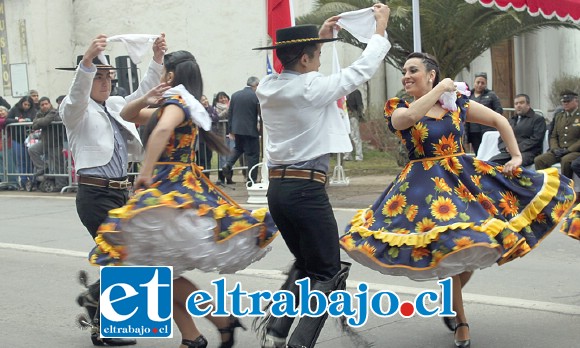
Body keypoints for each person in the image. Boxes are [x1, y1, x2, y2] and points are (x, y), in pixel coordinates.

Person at [339, 52, 575, 348]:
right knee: (451, 247)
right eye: (404, 71)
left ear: (430, 74)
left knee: (473, 245)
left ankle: (451, 300)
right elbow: (407, 120)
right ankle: (461, 319)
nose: (406, 76)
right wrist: (440, 90)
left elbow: (499, 119)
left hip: (462, 181)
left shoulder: (458, 104)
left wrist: (516, 156)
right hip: (422, 189)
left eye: (413, 70)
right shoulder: (399, 106)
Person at [88, 50, 278, 348]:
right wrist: (148, 96)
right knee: (160, 272)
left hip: (170, 187)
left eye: (164, 71)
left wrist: (145, 172)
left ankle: (218, 321)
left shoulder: (177, 103)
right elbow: (127, 115)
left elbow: (162, 129)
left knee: (155, 269)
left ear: (171, 75)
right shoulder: (177, 103)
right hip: (175, 185)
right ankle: (195, 336)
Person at [252, 5, 391, 348]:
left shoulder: (267, 87)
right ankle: (298, 341)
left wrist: (323, 38)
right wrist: (379, 29)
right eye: (315, 56)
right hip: (305, 191)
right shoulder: (310, 88)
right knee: (329, 272)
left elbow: (307, 73)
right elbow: (360, 70)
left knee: (307, 264)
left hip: (280, 190)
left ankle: (276, 332)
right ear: (303, 61)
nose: (318, 62)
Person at [59, 33, 167, 347]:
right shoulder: (75, 110)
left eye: (109, 77)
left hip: (121, 193)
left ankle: (95, 301)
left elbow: (144, 93)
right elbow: (77, 95)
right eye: (99, 77)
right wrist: (88, 62)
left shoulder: (116, 104)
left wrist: (157, 59)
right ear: (87, 76)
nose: (105, 82)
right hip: (95, 194)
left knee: (131, 254)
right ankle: (107, 325)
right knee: (122, 256)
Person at [221, 77, 261, 186]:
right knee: (253, 155)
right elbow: (260, 113)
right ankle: (251, 180)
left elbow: (230, 113)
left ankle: (228, 164)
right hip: (250, 130)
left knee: (238, 148)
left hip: (237, 129)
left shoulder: (235, 95)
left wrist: (231, 130)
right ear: (255, 85)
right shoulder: (256, 96)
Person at [489, 93, 546, 167]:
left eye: (521, 103)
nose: (518, 105)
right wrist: (507, 148)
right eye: (516, 104)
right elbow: (502, 138)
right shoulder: (511, 121)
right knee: (490, 164)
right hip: (509, 152)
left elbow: (536, 139)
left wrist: (515, 148)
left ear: (528, 105)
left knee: (514, 166)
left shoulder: (537, 119)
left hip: (528, 152)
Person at [534, 91, 580, 179]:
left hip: (575, 151)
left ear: (576, 101)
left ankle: (566, 187)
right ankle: (546, 185)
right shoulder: (559, 116)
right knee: (539, 160)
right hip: (559, 150)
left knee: (566, 160)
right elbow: (553, 136)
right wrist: (555, 149)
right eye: (564, 102)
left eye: (568, 101)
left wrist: (568, 150)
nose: (565, 104)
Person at [28, 97, 67, 188]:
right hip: (45, 142)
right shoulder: (40, 113)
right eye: (42, 105)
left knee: (58, 165)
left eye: (46, 104)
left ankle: (60, 185)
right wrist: (41, 121)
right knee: (32, 150)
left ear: (50, 104)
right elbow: (34, 125)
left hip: (56, 143)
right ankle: (42, 167)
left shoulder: (54, 112)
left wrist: (40, 121)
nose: (44, 106)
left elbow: (45, 122)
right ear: (40, 106)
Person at [465, 72, 503, 154]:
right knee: (478, 153)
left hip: (487, 130)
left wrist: (491, 119)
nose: (480, 85)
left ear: (486, 84)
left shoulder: (491, 95)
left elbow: (499, 109)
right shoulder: (468, 95)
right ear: (474, 82)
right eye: (478, 82)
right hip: (473, 131)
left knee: (487, 153)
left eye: (482, 83)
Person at [197, 94, 219, 177]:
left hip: (210, 137)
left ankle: (207, 176)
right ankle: (200, 176)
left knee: (209, 157)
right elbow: (201, 120)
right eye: (203, 100)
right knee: (201, 158)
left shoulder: (211, 108)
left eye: (205, 99)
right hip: (201, 138)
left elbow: (216, 118)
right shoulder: (198, 110)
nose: (205, 101)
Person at [213, 91, 232, 184]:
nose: (223, 99)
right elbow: (218, 117)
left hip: (231, 134)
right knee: (222, 157)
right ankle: (221, 178)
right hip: (221, 135)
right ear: (217, 100)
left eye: (225, 97)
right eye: (221, 98)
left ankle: (229, 178)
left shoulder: (231, 107)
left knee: (230, 156)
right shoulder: (216, 108)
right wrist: (227, 109)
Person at [344, 89, 364, 161]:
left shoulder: (355, 92)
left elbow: (359, 104)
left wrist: (360, 115)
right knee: (346, 136)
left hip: (353, 116)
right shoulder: (343, 92)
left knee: (355, 136)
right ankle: (347, 155)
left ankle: (359, 156)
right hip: (344, 116)